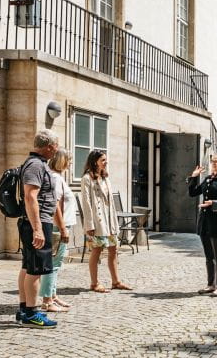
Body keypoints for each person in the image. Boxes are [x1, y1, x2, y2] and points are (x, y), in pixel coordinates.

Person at [16, 129, 60, 328]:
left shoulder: (37, 164)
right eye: (55, 146)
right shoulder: (35, 165)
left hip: (37, 222)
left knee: (28, 266)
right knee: (36, 269)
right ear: (49, 147)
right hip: (37, 223)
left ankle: (25, 309)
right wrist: (38, 229)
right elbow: (30, 197)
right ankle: (32, 314)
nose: (56, 150)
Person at [80, 150, 133, 293]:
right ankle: (94, 283)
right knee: (96, 250)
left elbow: (111, 203)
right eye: (103, 160)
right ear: (95, 161)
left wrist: (115, 222)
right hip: (98, 221)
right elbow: (86, 203)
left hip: (109, 221)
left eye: (106, 159)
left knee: (113, 250)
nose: (106, 162)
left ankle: (116, 281)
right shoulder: (87, 179)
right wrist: (89, 224)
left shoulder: (105, 178)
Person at [187, 154, 217, 297]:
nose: (213, 163)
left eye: (216, 161)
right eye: (212, 161)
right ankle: (210, 284)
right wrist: (193, 177)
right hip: (205, 222)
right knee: (209, 256)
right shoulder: (208, 179)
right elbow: (192, 193)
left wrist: (214, 203)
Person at [39, 149, 75, 313]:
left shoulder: (57, 177)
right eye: (69, 159)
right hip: (58, 227)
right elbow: (55, 206)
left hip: (61, 226)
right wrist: (62, 229)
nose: (71, 163)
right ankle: (47, 300)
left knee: (56, 264)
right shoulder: (56, 178)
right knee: (52, 265)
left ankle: (53, 295)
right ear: (62, 160)